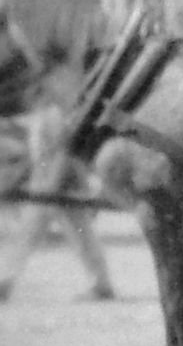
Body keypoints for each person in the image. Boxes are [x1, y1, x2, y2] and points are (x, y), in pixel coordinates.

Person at [0, 102, 114, 304]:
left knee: (74, 235)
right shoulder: (43, 114)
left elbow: (63, 153)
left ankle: (102, 285)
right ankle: (6, 281)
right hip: (48, 184)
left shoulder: (54, 115)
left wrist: (51, 186)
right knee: (34, 235)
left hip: (57, 185)